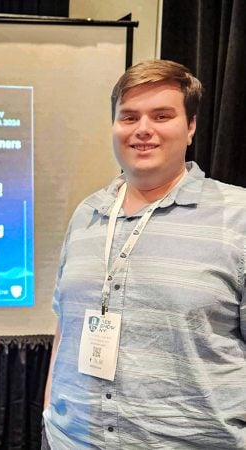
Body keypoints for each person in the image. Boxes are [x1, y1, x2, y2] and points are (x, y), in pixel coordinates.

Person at [42, 59, 246, 449]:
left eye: (162, 115)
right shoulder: (87, 214)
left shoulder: (238, 219)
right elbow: (64, 327)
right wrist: (49, 414)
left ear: (190, 127)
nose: (143, 130)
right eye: (129, 116)